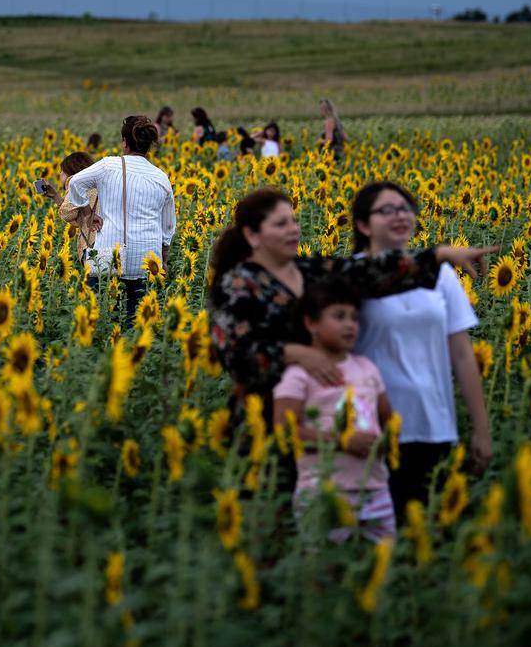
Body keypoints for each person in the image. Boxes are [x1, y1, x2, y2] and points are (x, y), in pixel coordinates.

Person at [205, 188, 495, 497]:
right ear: (252, 235)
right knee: (270, 506)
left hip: (321, 415)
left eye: (293, 220)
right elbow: (236, 355)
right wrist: (295, 354)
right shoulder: (236, 284)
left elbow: (366, 272)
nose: (293, 229)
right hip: (265, 421)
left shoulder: (308, 271)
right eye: (280, 224)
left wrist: (438, 256)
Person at [350, 181, 491, 524]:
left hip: (434, 423)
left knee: (430, 534)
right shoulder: (351, 277)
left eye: (405, 208)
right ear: (363, 225)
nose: (399, 215)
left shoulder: (440, 274)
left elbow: (461, 353)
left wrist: (481, 428)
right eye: (386, 210)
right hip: (372, 431)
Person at [274, 279, 396, 542]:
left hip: (374, 491)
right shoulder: (299, 375)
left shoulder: (367, 369)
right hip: (322, 493)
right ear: (311, 323)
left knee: (384, 564)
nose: (350, 324)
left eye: (354, 317)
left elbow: (389, 420)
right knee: (321, 570)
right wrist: (341, 442)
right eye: (339, 316)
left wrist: (385, 443)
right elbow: (284, 430)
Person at [64, 116, 175, 322]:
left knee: (100, 319)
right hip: (147, 259)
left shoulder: (108, 166)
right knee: (138, 322)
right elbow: (168, 228)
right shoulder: (161, 177)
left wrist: (88, 213)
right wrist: (164, 260)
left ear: (124, 142)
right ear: (149, 144)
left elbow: (75, 183)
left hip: (108, 254)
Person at [39, 151, 102, 256]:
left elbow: (67, 214)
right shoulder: (95, 184)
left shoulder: (75, 183)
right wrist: (57, 197)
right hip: (106, 241)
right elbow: (79, 219)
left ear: (69, 172)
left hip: (92, 248)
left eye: (61, 171)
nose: (59, 175)